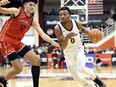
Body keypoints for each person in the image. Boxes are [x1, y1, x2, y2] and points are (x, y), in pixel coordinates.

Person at [0, 0, 59, 87]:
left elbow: (43, 35)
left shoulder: (32, 20)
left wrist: (54, 42)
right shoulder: (17, 11)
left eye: (33, 5)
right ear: (24, 5)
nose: (32, 7)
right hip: (5, 41)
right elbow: (1, 10)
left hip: (17, 43)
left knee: (36, 60)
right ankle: (3, 80)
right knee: (19, 68)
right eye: (30, 5)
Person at [54, 6, 106, 87]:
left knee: (81, 68)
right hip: (67, 52)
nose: (62, 16)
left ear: (70, 15)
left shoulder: (76, 22)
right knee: (76, 77)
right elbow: (63, 46)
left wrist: (90, 33)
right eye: (60, 15)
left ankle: (96, 79)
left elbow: (82, 29)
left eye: (65, 14)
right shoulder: (57, 28)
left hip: (78, 49)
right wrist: (67, 38)